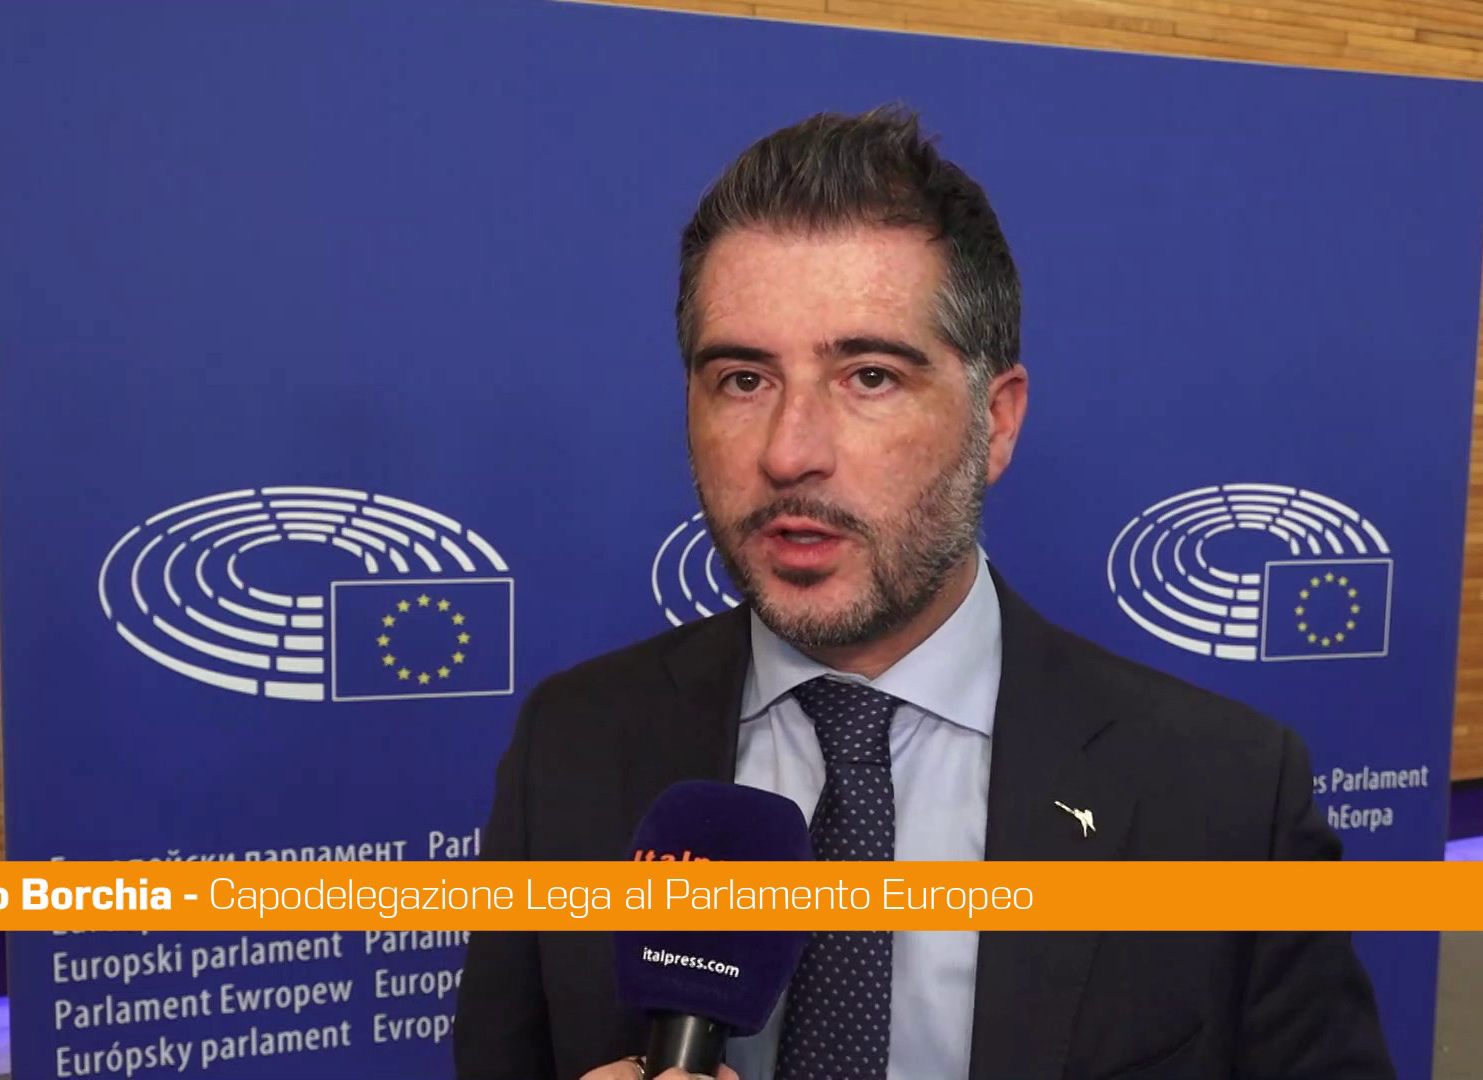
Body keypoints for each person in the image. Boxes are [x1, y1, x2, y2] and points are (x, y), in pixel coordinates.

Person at [451, 105, 1395, 1080]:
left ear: (997, 422)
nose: (789, 452)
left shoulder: (1223, 792)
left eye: (868, 377)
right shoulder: (570, 748)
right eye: (743, 379)